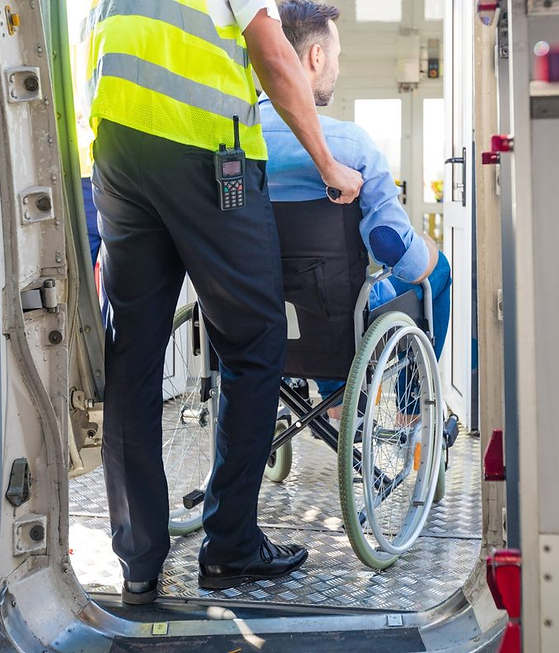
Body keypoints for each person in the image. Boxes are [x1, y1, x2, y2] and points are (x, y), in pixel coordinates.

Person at [87, 0, 364, 605]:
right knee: (254, 344)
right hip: (205, 156)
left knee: (132, 357)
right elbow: (272, 54)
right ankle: (230, 545)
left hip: (116, 158)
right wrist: (329, 163)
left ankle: (138, 561)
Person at [265, 0, 453, 413]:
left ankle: (329, 393)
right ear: (316, 57)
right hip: (333, 322)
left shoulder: (232, 139)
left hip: (253, 316)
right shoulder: (349, 146)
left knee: (309, 288)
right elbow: (391, 247)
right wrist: (425, 253)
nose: (337, 66)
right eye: (336, 57)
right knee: (432, 271)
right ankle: (405, 411)